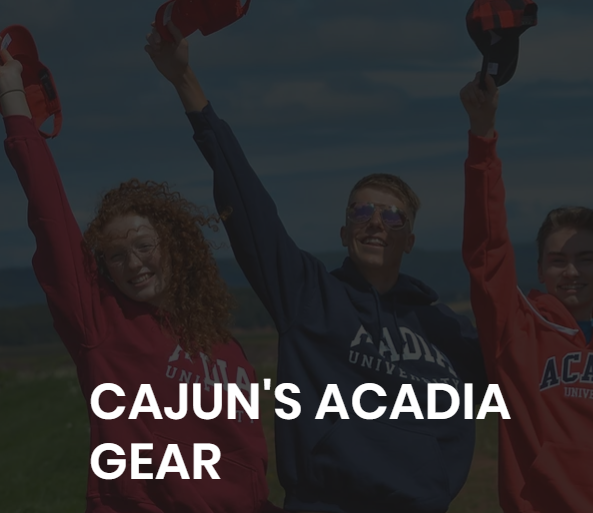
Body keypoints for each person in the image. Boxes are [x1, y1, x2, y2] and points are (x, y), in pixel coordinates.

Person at [146, 24, 486, 513]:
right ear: (344, 233)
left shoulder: (444, 326)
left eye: (391, 216)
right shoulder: (307, 295)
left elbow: (522, 357)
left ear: (409, 240)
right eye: (360, 212)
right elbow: (250, 209)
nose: (374, 223)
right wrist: (186, 83)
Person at [2, 48, 280, 512]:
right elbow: (49, 217)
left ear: (177, 247)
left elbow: (247, 458)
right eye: (115, 255)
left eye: (144, 246)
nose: (132, 265)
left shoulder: (226, 347)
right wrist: (12, 92)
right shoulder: (102, 324)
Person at [459, 72, 593, 512]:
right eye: (558, 261)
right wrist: (482, 135)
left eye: (587, 258)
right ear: (539, 270)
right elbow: (485, 248)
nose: (572, 271)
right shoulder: (516, 330)